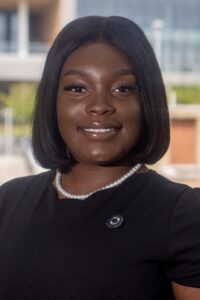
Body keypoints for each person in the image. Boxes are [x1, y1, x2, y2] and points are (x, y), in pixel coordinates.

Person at [0, 16, 200, 300]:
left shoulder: (184, 215)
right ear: (52, 100)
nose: (99, 106)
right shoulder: (8, 201)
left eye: (123, 88)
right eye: (77, 88)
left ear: (147, 100)